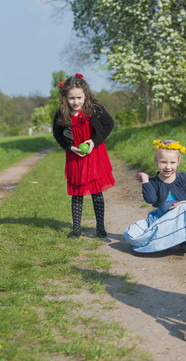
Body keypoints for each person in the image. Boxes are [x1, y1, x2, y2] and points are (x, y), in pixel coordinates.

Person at [52, 73, 115, 238]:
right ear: (65, 97)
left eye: (79, 97)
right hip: (75, 156)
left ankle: (100, 227)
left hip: (94, 154)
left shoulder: (94, 108)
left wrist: (94, 142)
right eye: (71, 98)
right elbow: (58, 135)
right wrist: (70, 147)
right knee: (77, 192)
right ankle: (76, 229)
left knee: (96, 192)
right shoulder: (61, 114)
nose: (76, 102)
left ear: (85, 94)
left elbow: (109, 124)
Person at [124, 139, 186, 253]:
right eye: (163, 162)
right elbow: (151, 199)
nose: (168, 167)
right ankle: (161, 240)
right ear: (156, 161)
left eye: (172, 162)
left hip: (180, 220)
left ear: (178, 161)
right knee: (130, 234)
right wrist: (145, 180)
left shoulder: (183, 178)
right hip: (161, 219)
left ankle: (184, 239)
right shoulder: (153, 182)